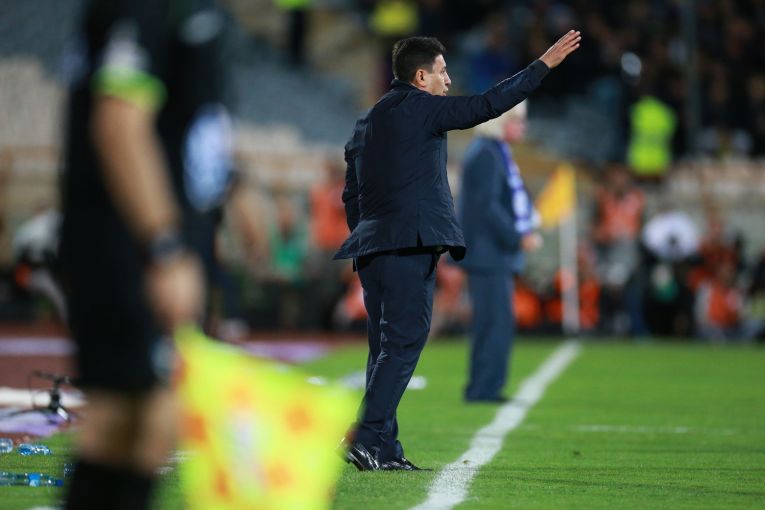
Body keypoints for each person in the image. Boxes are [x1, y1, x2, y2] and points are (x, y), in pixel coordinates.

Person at [335, 31, 581, 471]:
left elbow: (351, 192)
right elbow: (487, 105)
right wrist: (542, 65)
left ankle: (384, 447)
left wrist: (367, 231)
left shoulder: (366, 121)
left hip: (371, 249)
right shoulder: (422, 109)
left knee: (384, 348)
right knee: (405, 341)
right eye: (443, 72)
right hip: (407, 246)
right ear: (421, 76)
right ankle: (366, 436)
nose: (448, 80)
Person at [59, 1, 233, 508]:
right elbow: (119, 124)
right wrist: (165, 248)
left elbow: (185, 126)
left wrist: (233, 186)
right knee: (125, 416)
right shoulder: (144, 8)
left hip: (155, 235)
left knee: (147, 421)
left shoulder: (194, 13)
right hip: (125, 239)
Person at [458, 101, 543, 403]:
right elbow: (488, 206)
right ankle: (484, 388)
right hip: (488, 254)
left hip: (490, 254)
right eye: (517, 121)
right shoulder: (487, 153)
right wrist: (518, 236)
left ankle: (485, 386)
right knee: (494, 323)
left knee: (494, 322)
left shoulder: (492, 151)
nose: (522, 127)